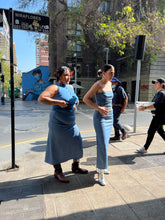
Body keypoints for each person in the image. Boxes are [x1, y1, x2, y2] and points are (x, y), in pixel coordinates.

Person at [38, 66, 88, 183]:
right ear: (59, 76)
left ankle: (75, 166)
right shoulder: (54, 87)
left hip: (71, 123)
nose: (68, 77)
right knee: (56, 147)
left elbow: (74, 99)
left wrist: (75, 102)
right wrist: (58, 102)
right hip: (58, 123)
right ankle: (58, 171)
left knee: (77, 142)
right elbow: (41, 99)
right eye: (65, 75)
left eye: (69, 75)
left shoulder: (70, 87)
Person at [83, 64, 114, 186]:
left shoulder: (110, 84)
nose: (112, 75)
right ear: (103, 73)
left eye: (113, 72)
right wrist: (99, 108)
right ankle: (100, 173)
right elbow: (86, 99)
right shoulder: (97, 84)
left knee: (105, 143)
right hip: (100, 118)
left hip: (109, 117)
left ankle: (102, 166)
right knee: (102, 145)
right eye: (110, 72)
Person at [137, 78, 165, 153]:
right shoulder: (158, 93)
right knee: (160, 131)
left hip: (159, 117)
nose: (155, 84)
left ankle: (145, 148)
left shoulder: (161, 93)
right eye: (155, 83)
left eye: (157, 83)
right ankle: (145, 148)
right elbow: (153, 104)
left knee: (151, 131)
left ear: (162, 84)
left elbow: (156, 105)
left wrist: (145, 107)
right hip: (159, 116)